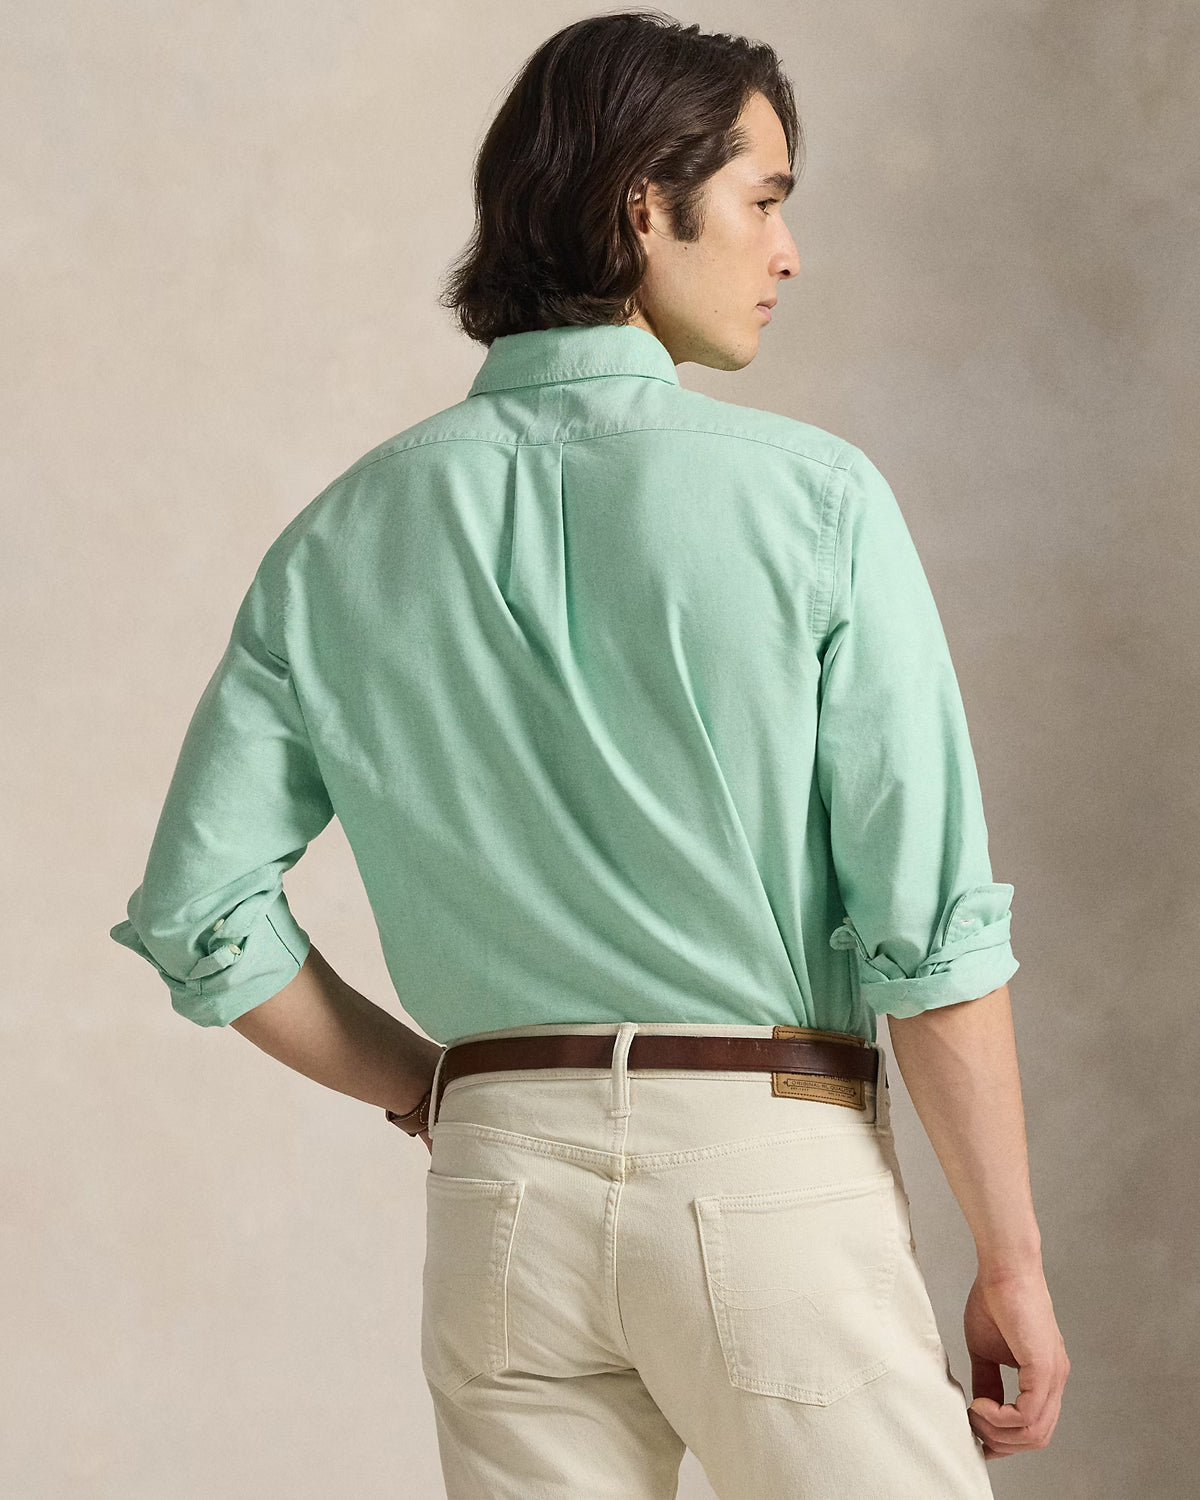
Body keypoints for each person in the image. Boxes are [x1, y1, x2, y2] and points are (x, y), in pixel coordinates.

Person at [109, 10, 1068, 1496]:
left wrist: (435, 1090)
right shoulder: (816, 504)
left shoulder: (341, 537)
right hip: (764, 1174)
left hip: (501, 1197)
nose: (788, 251)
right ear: (643, 205)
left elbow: (199, 914)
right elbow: (930, 934)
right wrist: (1011, 1256)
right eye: (763, 199)